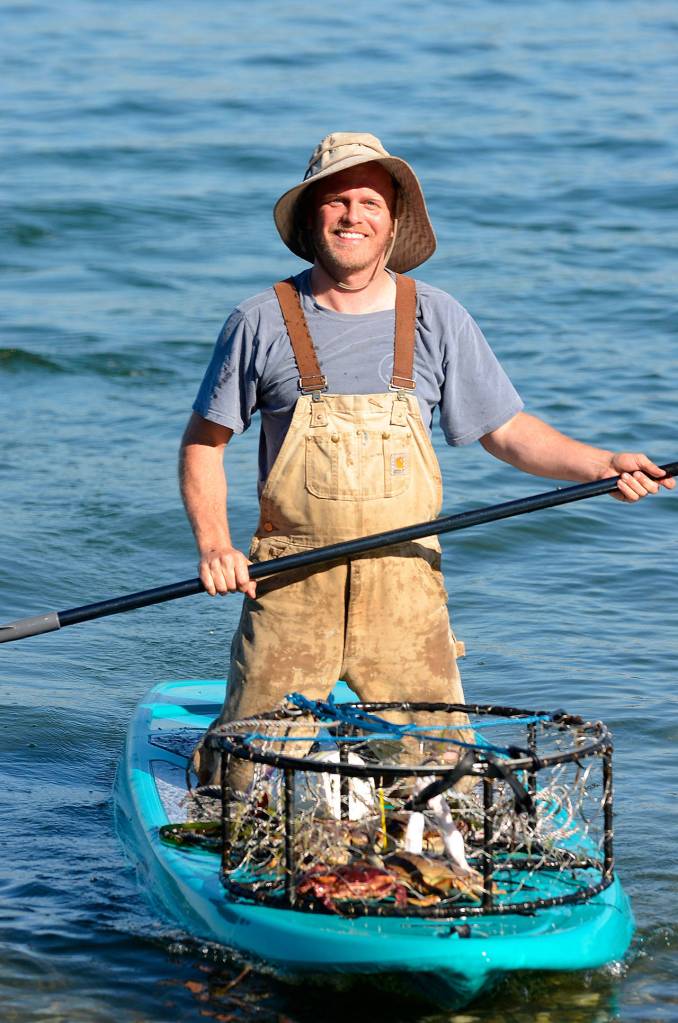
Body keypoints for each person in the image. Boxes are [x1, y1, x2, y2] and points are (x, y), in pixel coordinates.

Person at [180, 132, 673, 786]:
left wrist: (602, 465)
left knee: (446, 779)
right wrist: (216, 545)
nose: (352, 215)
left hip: (406, 584)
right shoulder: (261, 320)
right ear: (309, 218)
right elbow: (202, 446)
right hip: (292, 584)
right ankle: (220, 778)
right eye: (334, 201)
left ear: (393, 223)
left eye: (369, 202)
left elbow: (506, 430)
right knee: (240, 780)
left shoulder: (436, 317)